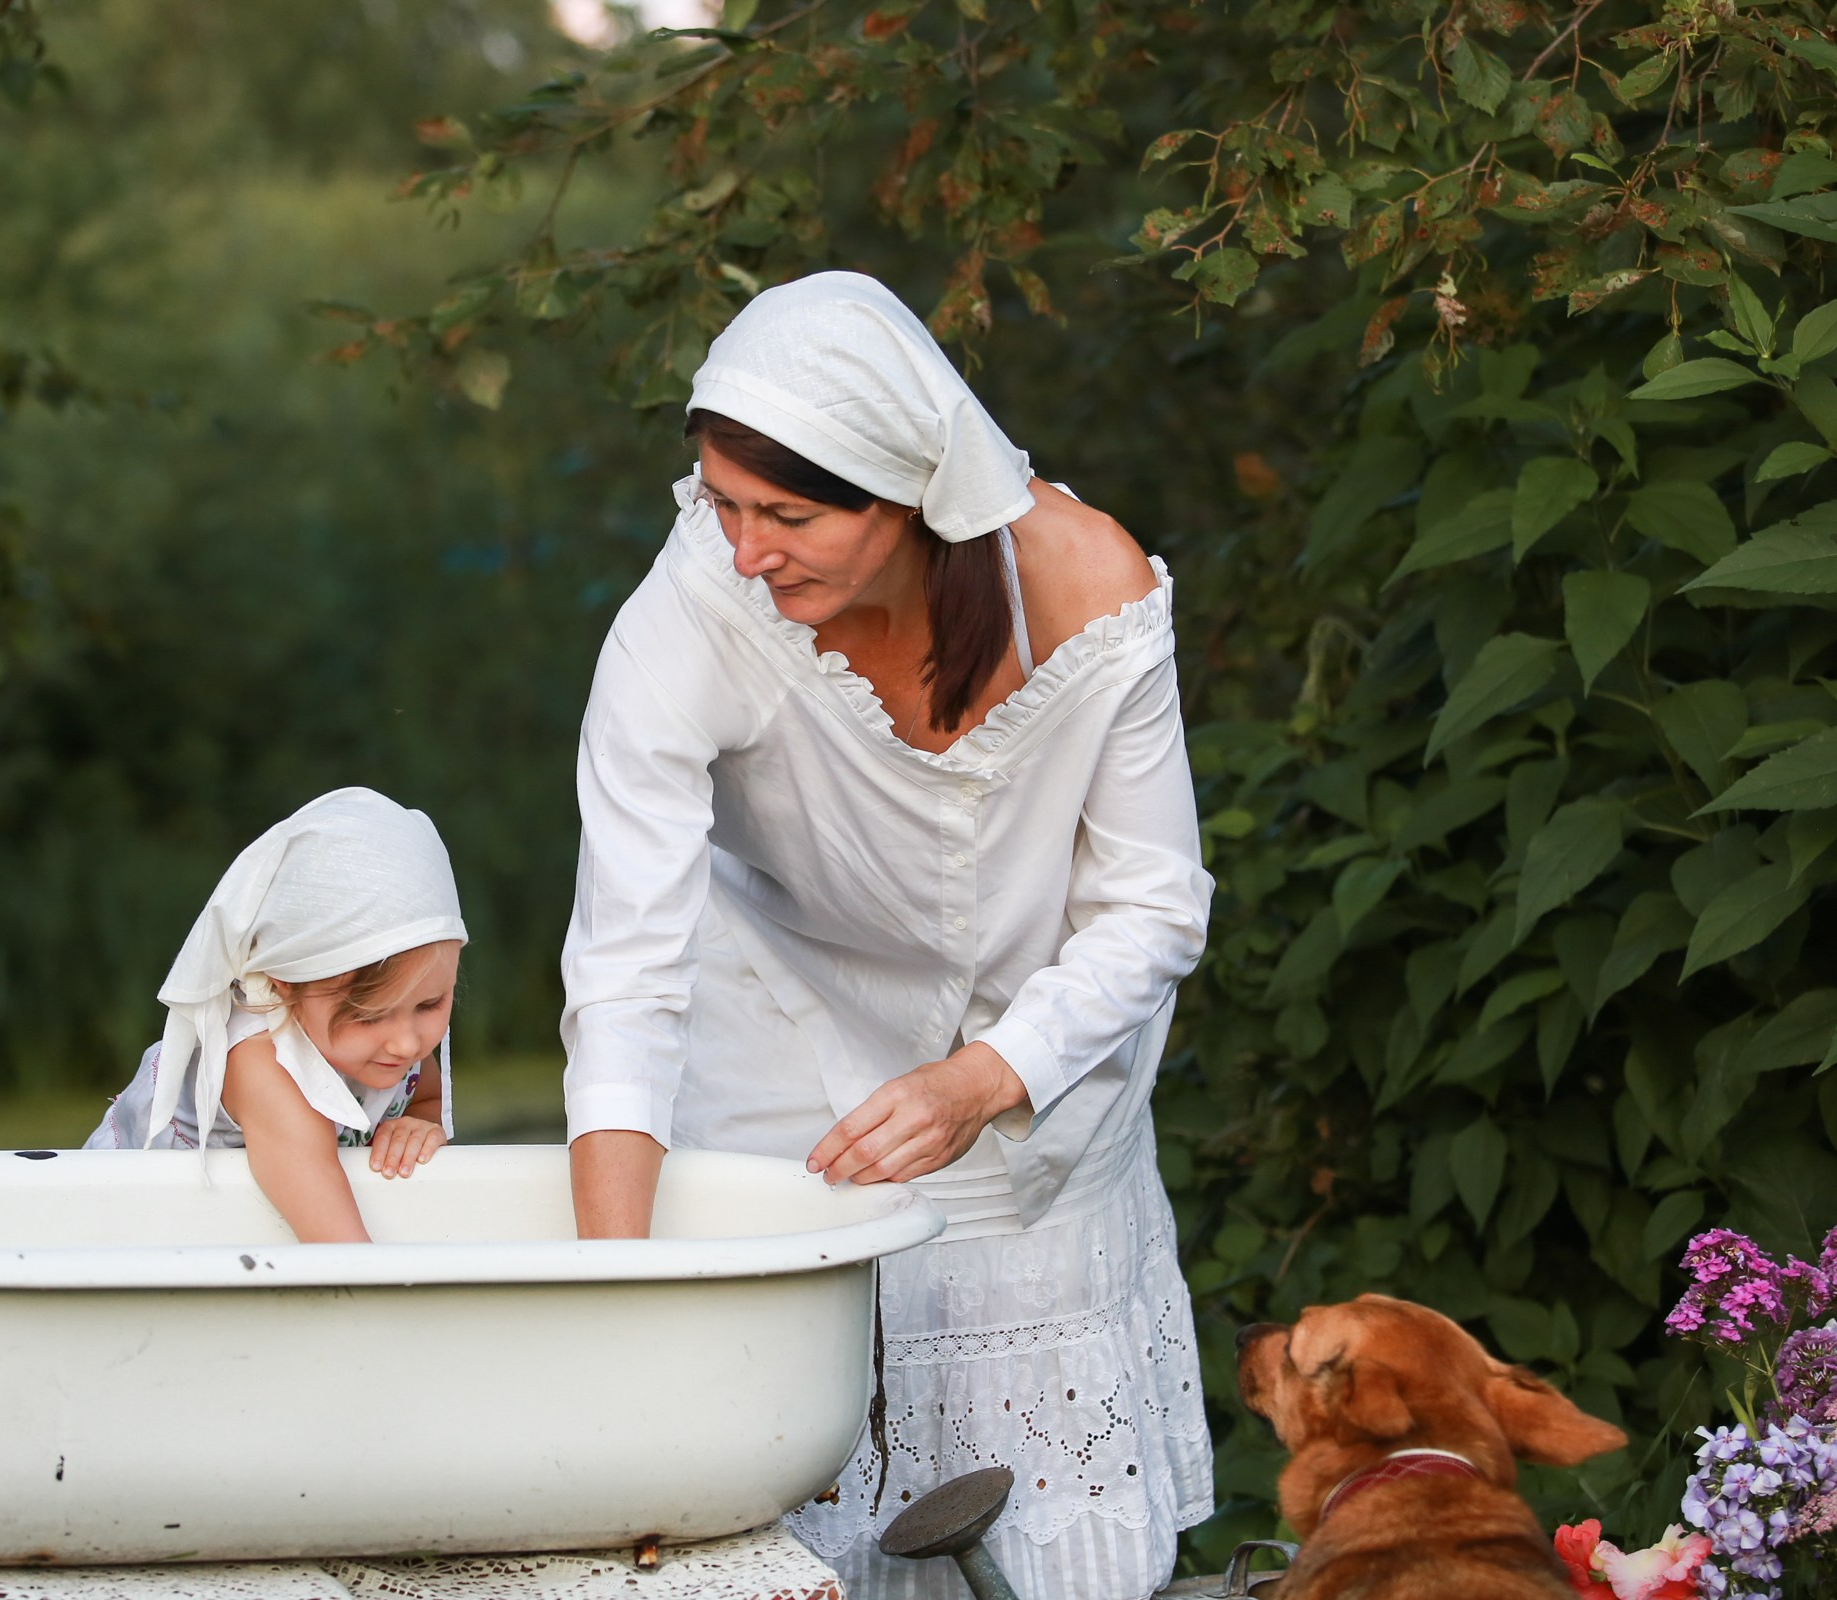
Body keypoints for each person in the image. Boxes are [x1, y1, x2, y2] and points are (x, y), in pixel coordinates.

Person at [560, 272, 1214, 1600]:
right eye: (722, 504)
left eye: (788, 515)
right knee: (788, 1515)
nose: (746, 551)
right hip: (778, 1062)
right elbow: (625, 965)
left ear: (912, 493)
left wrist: (988, 1078)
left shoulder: (1086, 584)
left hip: (1036, 1083)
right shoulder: (693, 612)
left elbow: (1152, 904)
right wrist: (614, 1292)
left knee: (1034, 1538)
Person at [86, 787, 466, 1244]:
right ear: (284, 983)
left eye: (430, 1004)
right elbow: (341, 1248)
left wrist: (421, 1125)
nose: (407, 1045)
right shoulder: (264, 1065)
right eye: (368, 1016)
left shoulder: (385, 1049)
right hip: (121, 1234)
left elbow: (425, 1098)